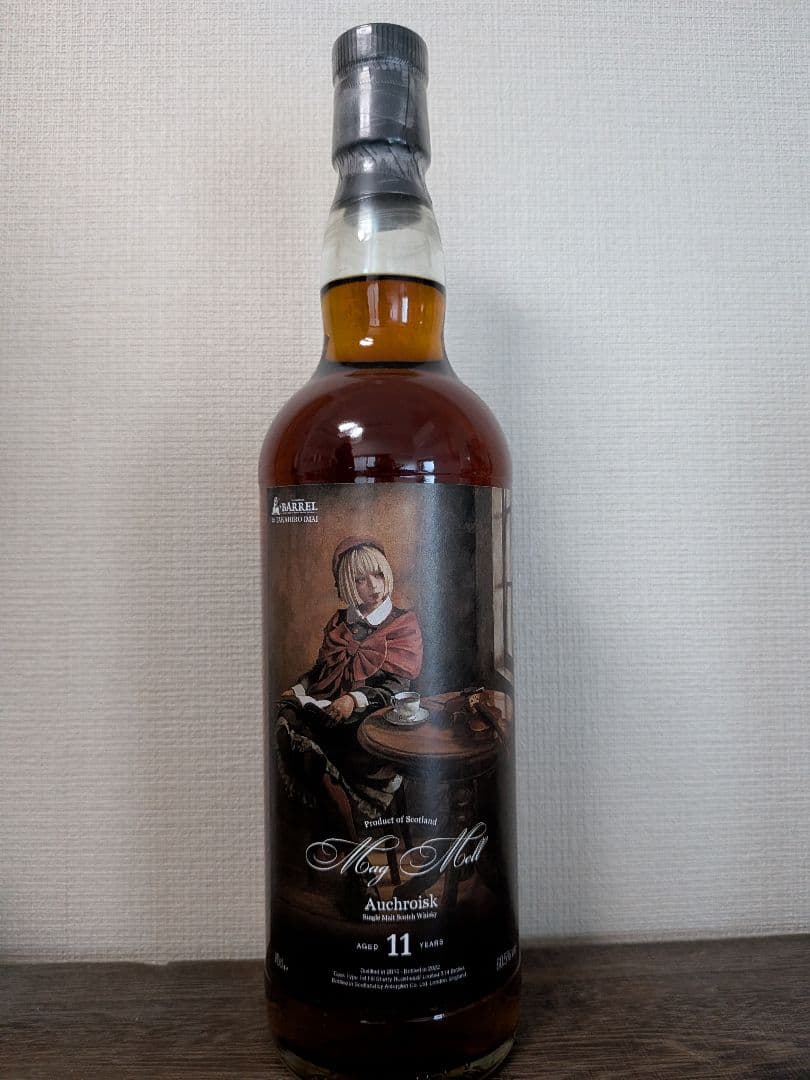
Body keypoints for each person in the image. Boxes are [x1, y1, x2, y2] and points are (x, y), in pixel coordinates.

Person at [276, 537, 423, 839]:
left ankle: (349, 841)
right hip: (330, 714)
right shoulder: (340, 622)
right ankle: (340, 835)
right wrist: (299, 690)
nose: (373, 585)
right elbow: (322, 672)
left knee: (310, 744)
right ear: (346, 584)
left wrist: (353, 700)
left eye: (378, 574)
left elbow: (396, 687)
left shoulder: (403, 623)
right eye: (360, 579)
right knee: (286, 716)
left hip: (372, 726)